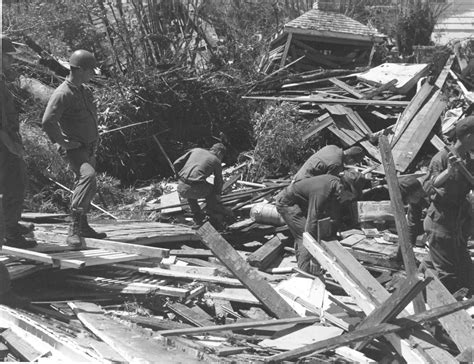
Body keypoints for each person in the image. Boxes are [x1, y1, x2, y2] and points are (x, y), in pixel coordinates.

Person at [42, 50, 106, 248]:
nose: (92, 75)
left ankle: (83, 226)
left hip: (89, 147)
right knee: (88, 177)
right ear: (78, 70)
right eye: (89, 71)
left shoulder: (83, 90)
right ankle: (73, 228)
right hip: (74, 149)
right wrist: (64, 143)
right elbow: (47, 122)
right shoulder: (63, 93)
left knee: (89, 184)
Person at [275, 170, 365, 275]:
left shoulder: (335, 187)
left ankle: (305, 263)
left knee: (310, 234)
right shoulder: (323, 191)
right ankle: (305, 274)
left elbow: (335, 217)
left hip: (302, 203)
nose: (350, 199)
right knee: (304, 235)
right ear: (342, 189)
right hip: (287, 203)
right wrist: (315, 256)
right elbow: (311, 225)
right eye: (350, 196)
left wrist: (333, 240)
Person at [422, 116, 474, 294]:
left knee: (467, 273)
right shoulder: (443, 157)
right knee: (448, 275)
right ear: (468, 136)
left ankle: (418, 281)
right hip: (440, 222)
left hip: (457, 223)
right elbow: (428, 186)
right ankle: (439, 315)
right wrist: (449, 171)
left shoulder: (468, 159)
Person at [0, 34, 33, 308]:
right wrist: (12, 147)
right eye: (8, 54)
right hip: (3, 147)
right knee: (12, 185)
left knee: (15, 184)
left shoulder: (4, 81)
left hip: (8, 145)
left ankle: (10, 226)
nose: (11, 59)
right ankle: (8, 230)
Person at [174, 143, 232, 227]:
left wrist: (178, 176)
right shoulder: (215, 160)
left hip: (181, 187)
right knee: (211, 190)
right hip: (194, 189)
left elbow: (176, 163)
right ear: (219, 153)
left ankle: (197, 214)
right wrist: (218, 194)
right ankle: (211, 212)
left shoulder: (196, 150)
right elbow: (218, 180)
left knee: (192, 190)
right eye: (222, 156)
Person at [293, 145, 364, 183]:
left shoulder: (332, 147)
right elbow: (328, 183)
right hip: (303, 183)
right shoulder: (337, 164)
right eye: (354, 162)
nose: (353, 164)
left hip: (298, 176)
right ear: (350, 158)